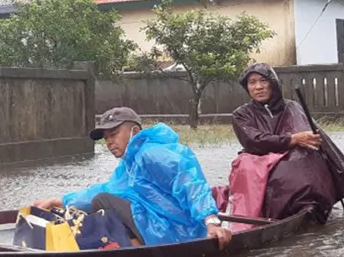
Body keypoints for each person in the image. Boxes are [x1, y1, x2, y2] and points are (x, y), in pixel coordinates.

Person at [33, 107, 232, 249]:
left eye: (114, 134)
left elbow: (189, 182)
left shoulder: (151, 153)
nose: (109, 142)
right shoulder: (129, 163)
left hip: (179, 231)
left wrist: (211, 221)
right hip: (160, 226)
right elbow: (108, 188)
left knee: (102, 201)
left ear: (134, 132)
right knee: (102, 198)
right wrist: (56, 201)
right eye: (106, 138)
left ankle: (132, 248)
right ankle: (131, 245)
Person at [231, 63, 344, 223]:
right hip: (259, 158)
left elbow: (309, 137)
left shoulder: (292, 107)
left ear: (273, 83)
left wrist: (297, 141)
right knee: (261, 168)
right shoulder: (241, 114)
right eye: (252, 82)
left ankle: (311, 206)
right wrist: (291, 139)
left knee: (302, 157)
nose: (258, 87)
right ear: (247, 87)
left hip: (292, 156)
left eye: (263, 81)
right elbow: (253, 141)